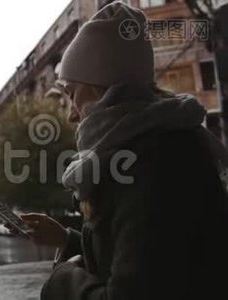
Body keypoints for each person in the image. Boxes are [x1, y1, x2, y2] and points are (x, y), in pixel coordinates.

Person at [15, 2, 228, 300]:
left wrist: (60, 282)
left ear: (101, 89)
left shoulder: (156, 160)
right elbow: (144, 261)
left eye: (72, 94)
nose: (71, 115)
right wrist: (67, 239)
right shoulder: (149, 144)